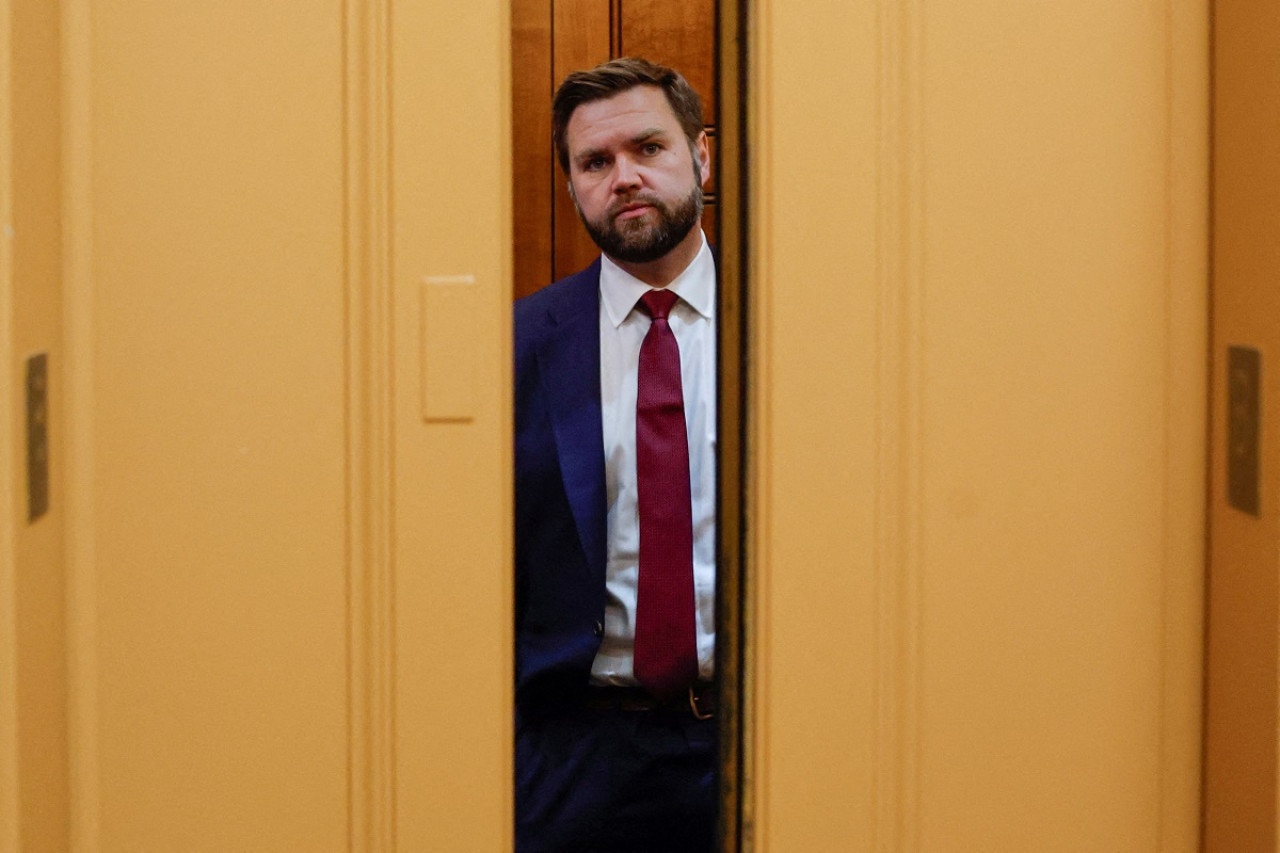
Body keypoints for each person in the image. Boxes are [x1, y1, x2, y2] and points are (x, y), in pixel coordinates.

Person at [513, 57, 717, 852]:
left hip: (761, 737)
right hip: (574, 756)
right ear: (569, 186)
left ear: (701, 155)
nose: (624, 177)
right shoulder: (517, 344)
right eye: (595, 162)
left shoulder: (790, 321)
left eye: (648, 149)